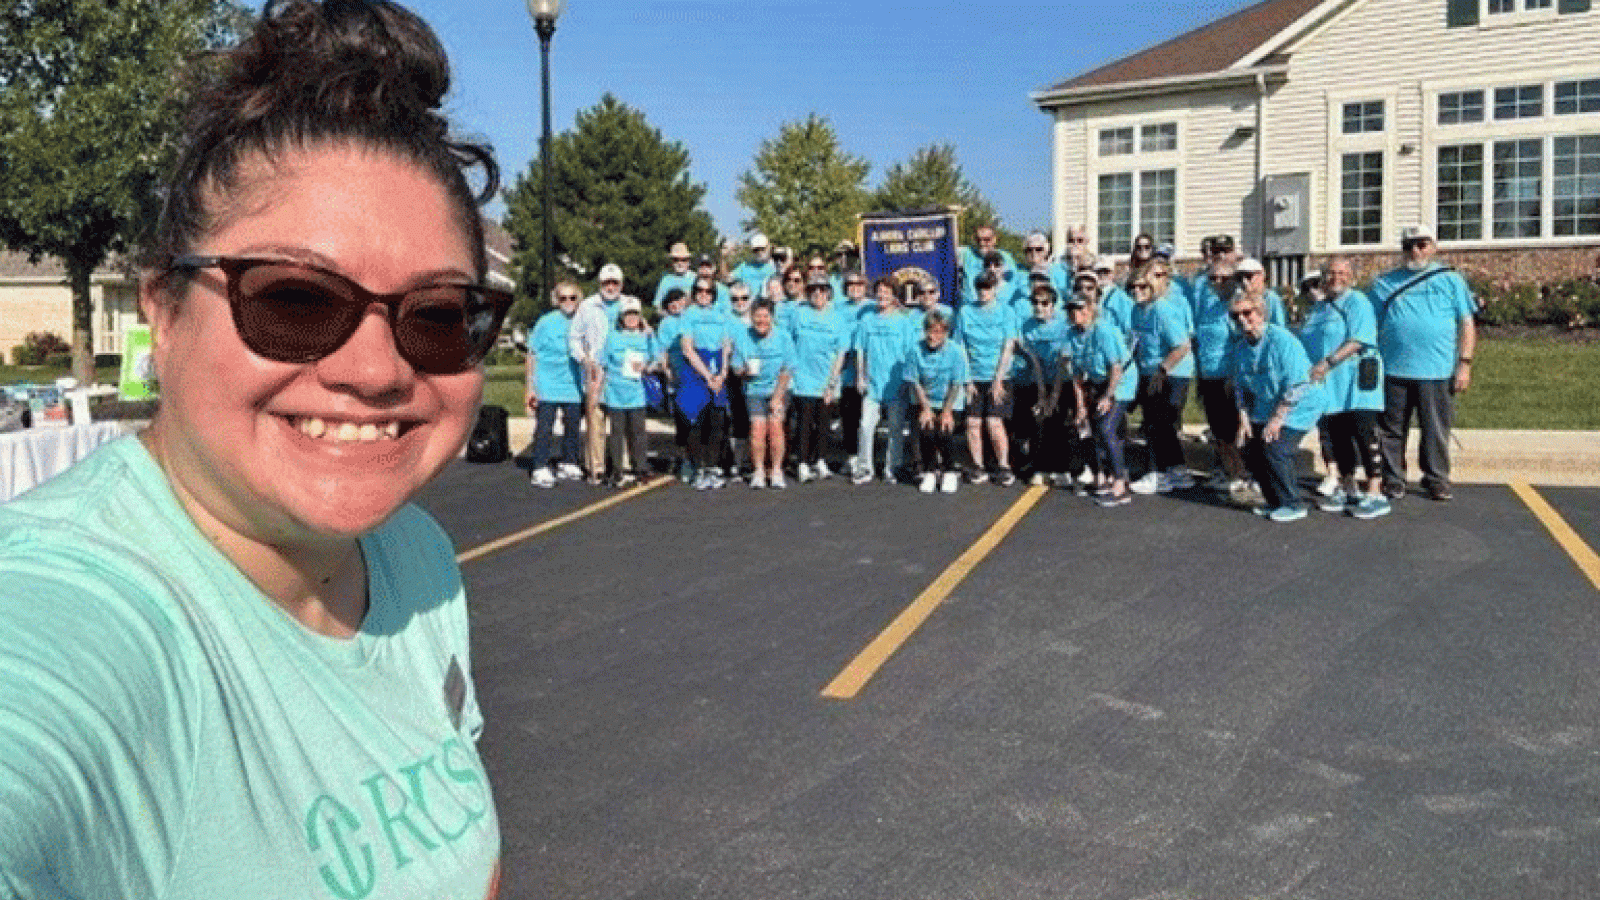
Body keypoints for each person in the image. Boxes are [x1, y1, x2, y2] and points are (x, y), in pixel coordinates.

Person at [0, 2, 508, 896]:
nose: (378, 371)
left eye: (436, 316)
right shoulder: (69, 618)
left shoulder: (418, 559)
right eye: (297, 301)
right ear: (162, 312)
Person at [1369, 224, 1476, 501]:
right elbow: (1368, 324)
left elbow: (1466, 323)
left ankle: (1436, 478)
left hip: (1437, 370)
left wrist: (1464, 363)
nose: (1415, 250)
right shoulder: (1384, 283)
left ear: (1433, 246)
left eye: (1421, 244)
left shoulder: (1451, 280)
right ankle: (1393, 479)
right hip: (1393, 369)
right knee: (1391, 430)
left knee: (1435, 429)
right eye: (1409, 245)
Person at [1300, 257, 1390, 519]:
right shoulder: (1319, 308)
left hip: (1357, 378)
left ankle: (1374, 491)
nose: (1336, 278)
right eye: (1330, 273)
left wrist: (1327, 362)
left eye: (1342, 273)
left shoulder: (1357, 302)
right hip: (1330, 383)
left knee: (1364, 433)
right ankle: (1348, 487)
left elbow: (1359, 339)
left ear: (1351, 276)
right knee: (1337, 434)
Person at [1226, 290, 1326, 522]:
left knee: (1275, 447)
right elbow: (1240, 387)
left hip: (1300, 402)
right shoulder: (1240, 348)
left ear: (1260, 313)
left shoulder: (1281, 340)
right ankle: (1274, 501)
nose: (1242, 319)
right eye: (1235, 315)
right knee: (1251, 448)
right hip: (1266, 403)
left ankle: (1293, 503)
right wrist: (1244, 419)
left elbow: (1299, 383)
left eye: (1247, 313)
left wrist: (1278, 419)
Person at [1062, 291, 1138, 506]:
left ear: (1090, 311)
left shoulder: (1103, 331)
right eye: (1072, 310)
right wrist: (1080, 406)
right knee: (1091, 429)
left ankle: (1121, 482)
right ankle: (1101, 475)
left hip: (1120, 380)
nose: (1076, 314)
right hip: (1096, 380)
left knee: (1106, 428)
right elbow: (1076, 374)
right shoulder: (1072, 335)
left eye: (1080, 309)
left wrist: (1108, 396)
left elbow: (1116, 367)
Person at [1127, 260, 1196, 493]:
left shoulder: (1161, 309)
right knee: (1158, 425)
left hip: (1171, 373)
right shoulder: (1137, 310)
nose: (1137, 291)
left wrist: (1162, 370)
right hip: (1149, 371)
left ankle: (1158, 475)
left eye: (1143, 287)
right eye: (1132, 287)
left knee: (1159, 424)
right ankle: (1176, 471)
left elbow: (1182, 345)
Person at [1189, 260, 1253, 500]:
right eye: (1212, 278)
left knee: (1233, 430)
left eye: (1224, 278)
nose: (1217, 283)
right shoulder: (1209, 307)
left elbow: (1241, 344)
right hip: (1208, 376)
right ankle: (1231, 474)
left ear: (1235, 280)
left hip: (1228, 377)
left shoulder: (1235, 308)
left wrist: (1234, 376)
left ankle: (1243, 474)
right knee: (1218, 432)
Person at [570, 261, 635, 482]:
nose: (610, 287)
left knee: (621, 421)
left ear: (621, 284)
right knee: (595, 420)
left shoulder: (630, 303)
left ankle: (620, 466)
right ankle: (595, 468)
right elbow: (574, 338)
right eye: (606, 283)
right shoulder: (588, 306)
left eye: (614, 282)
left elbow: (640, 331)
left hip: (621, 371)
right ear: (600, 284)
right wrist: (584, 360)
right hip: (595, 370)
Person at [955, 270, 1021, 485]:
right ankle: (978, 466)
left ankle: (1004, 466)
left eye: (988, 287)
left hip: (999, 376)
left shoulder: (1006, 312)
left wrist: (998, 379)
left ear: (995, 289)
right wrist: (967, 380)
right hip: (973, 377)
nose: (984, 291)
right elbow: (961, 347)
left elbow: (1008, 346)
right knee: (972, 423)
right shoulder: (965, 312)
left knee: (994, 422)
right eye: (980, 287)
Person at [852, 276, 917, 483]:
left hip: (896, 384)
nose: (882, 295)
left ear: (894, 295)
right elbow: (860, 350)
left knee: (895, 428)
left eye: (887, 292)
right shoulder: (866, 320)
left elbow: (910, 354)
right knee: (865, 426)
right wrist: (860, 376)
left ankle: (893, 467)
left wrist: (908, 381)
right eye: (879, 291)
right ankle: (865, 467)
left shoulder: (904, 321)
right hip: (871, 384)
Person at [788, 274, 851, 482]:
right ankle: (803, 464)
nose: (818, 293)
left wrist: (832, 383)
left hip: (826, 379)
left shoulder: (838, 318)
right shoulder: (798, 314)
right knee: (805, 423)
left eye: (822, 289)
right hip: (802, 379)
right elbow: (789, 343)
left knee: (824, 424)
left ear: (829, 293)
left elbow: (841, 352)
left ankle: (820, 460)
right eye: (813, 289)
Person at [677, 276, 735, 489]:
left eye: (708, 291)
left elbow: (727, 346)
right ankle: (697, 469)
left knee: (717, 422)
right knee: (695, 422)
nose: (704, 295)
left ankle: (711, 467)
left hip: (718, 369)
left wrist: (722, 373)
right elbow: (687, 348)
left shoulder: (722, 314)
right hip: (696, 372)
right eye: (699, 290)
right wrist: (707, 375)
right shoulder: (689, 314)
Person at [526, 281, 585, 487]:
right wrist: (530, 387)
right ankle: (540, 466)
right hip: (547, 383)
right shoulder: (545, 322)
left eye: (572, 298)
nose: (568, 302)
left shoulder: (583, 321)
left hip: (573, 384)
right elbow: (532, 353)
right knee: (544, 427)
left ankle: (569, 461)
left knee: (572, 425)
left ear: (579, 299)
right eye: (563, 298)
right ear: (556, 300)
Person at [733, 298, 795, 489]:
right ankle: (758, 471)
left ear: (772, 317)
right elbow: (735, 368)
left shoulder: (783, 337)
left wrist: (777, 398)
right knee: (758, 429)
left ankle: (776, 471)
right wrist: (743, 371)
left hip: (779, 388)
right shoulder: (743, 336)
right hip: (754, 389)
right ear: (751, 318)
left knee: (776, 427)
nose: (762, 320)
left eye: (766, 316)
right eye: (757, 316)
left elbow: (788, 369)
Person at [1014, 283, 1071, 486]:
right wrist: (1041, 395)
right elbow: (1032, 360)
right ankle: (1039, 466)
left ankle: (1062, 468)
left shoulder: (1065, 325)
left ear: (1053, 305)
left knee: (1058, 423)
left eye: (1044, 303)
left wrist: (1053, 396)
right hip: (1036, 382)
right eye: (1035, 302)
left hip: (1060, 382)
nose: (1039, 307)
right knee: (1037, 422)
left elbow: (1064, 362)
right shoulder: (1026, 326)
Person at [907, 311, 969, 494]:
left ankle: (949, 471)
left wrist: (947, 411)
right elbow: (915, 382)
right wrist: (925, 408)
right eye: (929, 331)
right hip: (925, 399)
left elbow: (956, 383)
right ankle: (930, 471)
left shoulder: (956, 352)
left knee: (944, 430)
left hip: (950, 400)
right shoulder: (915, 350)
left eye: (938, 332)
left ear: (946, 333)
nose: (932, 336)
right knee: (927, 430)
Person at [601, 298, 658, 487]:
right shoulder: (612, 337)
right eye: (628, 314)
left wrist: (648, 365)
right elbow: (603, 363)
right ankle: (617, 470)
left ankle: (640, 468)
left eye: (635, 314)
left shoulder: (646, 337)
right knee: (617, 433)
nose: (632, 318)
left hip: (637, 392)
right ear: (621, 317)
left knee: (638, 432)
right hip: (615, 391)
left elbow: (656, 360)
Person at [652, 287, 694, 481]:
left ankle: (700, 460)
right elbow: (662, 350)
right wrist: (667, 372)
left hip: (697, 374)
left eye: (679, 301)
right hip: (678, 377)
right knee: (682, 421)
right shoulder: (666, 324)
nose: (675, 305)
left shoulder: (692, 318)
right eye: (671, 303)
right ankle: (684, 460)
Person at [837, 272, 875, 474]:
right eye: (850, 284)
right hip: (847, 370)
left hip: (870, 369)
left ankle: (866, 456)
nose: (854, 287)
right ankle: (852, 456)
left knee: (867, 418)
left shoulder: (873, 306)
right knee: (849, 416)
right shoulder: (838, 308)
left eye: (859, 284)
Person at [960, 226, 1017, 304]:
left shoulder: (1005, 257)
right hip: (970, 309)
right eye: (978, 239)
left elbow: (1013, 283)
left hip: (996, 309)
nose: (982, 243)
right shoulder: (967, 254)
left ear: (994, 240)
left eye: (986, 240)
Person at [730, 233, 777, 300]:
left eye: (762, 249)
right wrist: (723, 258)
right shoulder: (745, 266)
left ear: (768, 247)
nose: (759, 252)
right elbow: (727, 278)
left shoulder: (775, 266)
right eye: (756, 250)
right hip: (748, 305)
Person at [653, 241, 697, 306]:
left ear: (689, 262)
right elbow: (657, 304)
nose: (680, 263)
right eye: (676, 260)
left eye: (683, 260)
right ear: (672, 262)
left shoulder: (696, 278)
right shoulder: (666, 280)